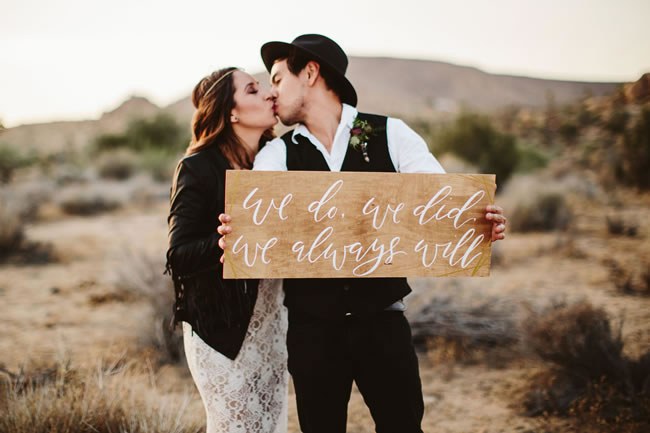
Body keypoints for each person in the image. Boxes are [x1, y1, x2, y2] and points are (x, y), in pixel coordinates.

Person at [218, 34, 508, 433]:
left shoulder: (392, 134)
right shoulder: (277, 156)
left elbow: (445, 209)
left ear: (311, 73)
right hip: (313, 331)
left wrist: (478, 223)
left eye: (279, 79)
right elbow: (258, 230)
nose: (272, 92)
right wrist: (238, 232)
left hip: (383, 324)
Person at [165, 67, 288, 433]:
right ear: (230, 112)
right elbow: (178, 254)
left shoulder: (277, 160)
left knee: (270, 426)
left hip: (271, 328)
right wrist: (223, 243)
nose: (268, 94)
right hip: (220, 332)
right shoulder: (198, 168)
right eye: (253, 90)